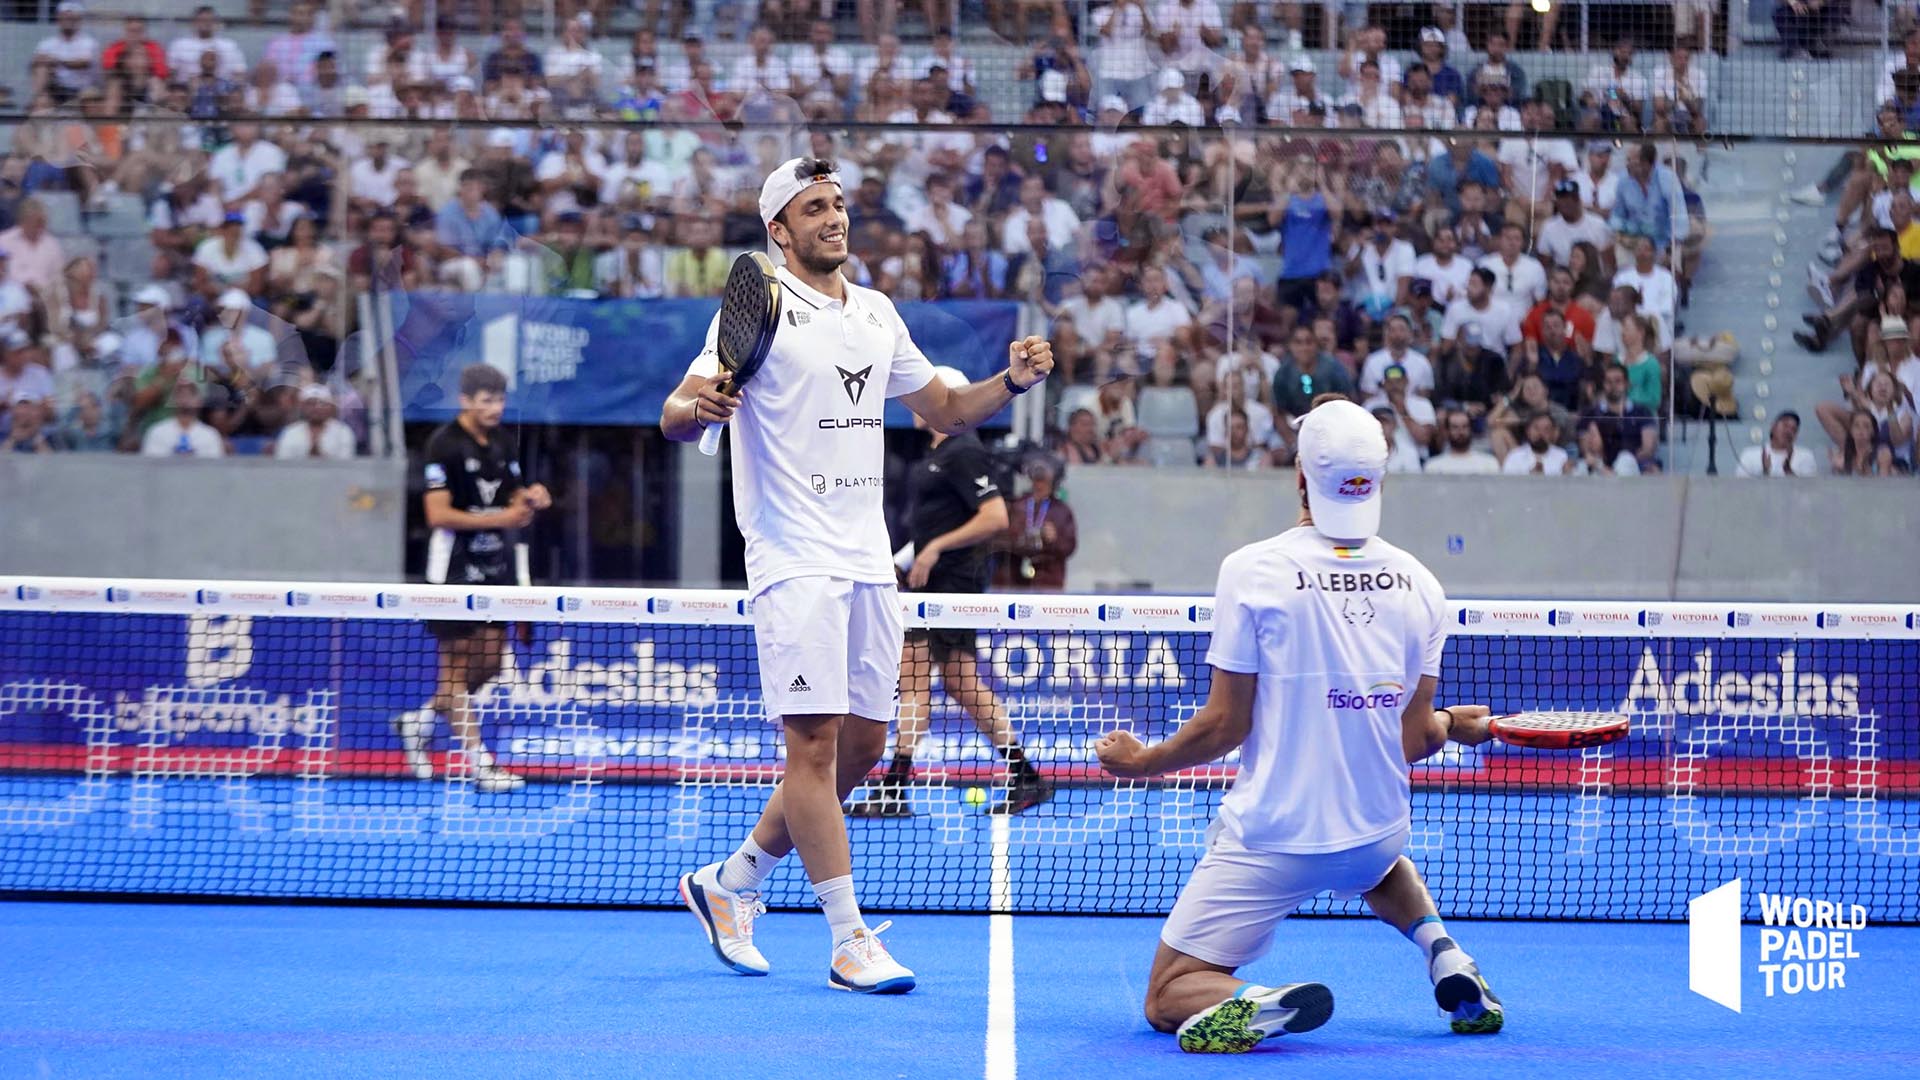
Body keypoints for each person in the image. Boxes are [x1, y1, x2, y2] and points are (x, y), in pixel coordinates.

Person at [660, 156, 1054, 993]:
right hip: (791, 554)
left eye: (839, 205)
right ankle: (848, 941)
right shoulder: (760, 305)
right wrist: (703, 407)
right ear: (780, 230)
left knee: (865, 746)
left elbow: (945, 410)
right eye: (814, 208)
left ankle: (729, 884)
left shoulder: (876, 313)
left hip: (868, 559)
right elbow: (674, 410)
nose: (834, 218)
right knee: (812, 744)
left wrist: (1011, 381)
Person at [1095, 396, 1503, 1054]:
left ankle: (1250, 1000)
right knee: (1376, 861)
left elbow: (1226, 724)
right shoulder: (1423, 586)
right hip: (1374, 833)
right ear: (1378, 479)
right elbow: (1412, 737)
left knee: (1167, 992)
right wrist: (1454, 724)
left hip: (1275, 841)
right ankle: (1444, 951)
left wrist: (1143, 761)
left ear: (1298, 476)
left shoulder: (1254, 571)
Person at [847, 367, 1053, 820]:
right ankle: (1027, 776)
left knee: (916, 677)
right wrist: (905, 559)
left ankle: (895, 787)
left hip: (951, 588)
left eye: (928, 395)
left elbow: (995, 517)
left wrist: (935, 550)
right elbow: (931, 529)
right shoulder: (937, 456)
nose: (917, 403)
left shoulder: (963, 452)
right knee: (960, 684)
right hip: (931, 587)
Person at [402, 364, 553, 794]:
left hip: (495, 571)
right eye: (485, 400)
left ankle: (420, 722)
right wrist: (505, 516)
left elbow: (512, 496)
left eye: (499, 400)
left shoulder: (503, 442)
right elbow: (437, 514)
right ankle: (480, 763)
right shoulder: (443, 445)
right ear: (465, 400)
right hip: (451, 573)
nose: (494, 408)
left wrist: (532, 497)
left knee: (488, 663)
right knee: (455, 665)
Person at [994, 458, 1077, 590]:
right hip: (1016, 577)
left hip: (1049, 579)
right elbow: (1001, 539)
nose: (1040, 485)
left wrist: (1054, 539)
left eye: (1044, 481)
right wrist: (1020, 536)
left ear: (1054, 483)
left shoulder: (1062, 511)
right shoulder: (1019, 505)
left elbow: (1070, 546)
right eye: (1037, 480)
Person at [1737, 411, 1820, 476]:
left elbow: (1810, 491)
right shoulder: (1750, 454)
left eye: (1793, 429)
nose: (1788, 431)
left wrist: (1789, 473)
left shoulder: (1805, 456)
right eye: (1785, 426)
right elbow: (1741, 489)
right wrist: (1764, 473)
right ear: (1773, 427)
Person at [1422, 408, 1500, 474]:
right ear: (1447, 431)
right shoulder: (1433, 466)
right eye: (1455, 427)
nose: (1460, 431)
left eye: (1465, 426)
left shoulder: (1489, 464)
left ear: (1471, 430)